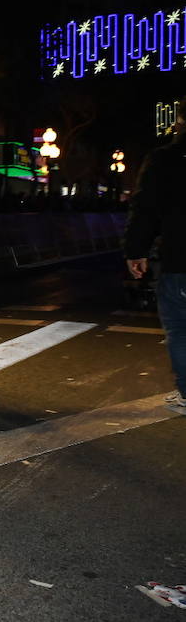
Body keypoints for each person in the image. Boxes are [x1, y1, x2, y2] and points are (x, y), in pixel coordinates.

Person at [125, 102, 186, 414]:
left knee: (179, 327)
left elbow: (146, 209)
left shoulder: (165, 160)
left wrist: (136, 251)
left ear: (180, 122)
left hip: (181, 258)